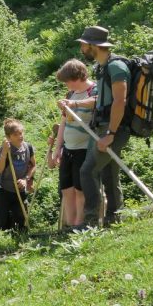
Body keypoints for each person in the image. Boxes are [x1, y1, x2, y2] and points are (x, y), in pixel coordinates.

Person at [76, 26, 131, 227]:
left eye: (83, 44)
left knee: (87, 170)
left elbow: (120, 101)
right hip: (103, 126)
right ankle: (114, 217)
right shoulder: (101, 67)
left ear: (93, 46)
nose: (81, 48)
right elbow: (103, 98)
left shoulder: (116, 67)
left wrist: (111, 133)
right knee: (108, 170)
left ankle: (90, 221)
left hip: (113, 128)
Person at [51, 59, 98, 227]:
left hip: (85, 149)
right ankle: (69, 225)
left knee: (80, 189)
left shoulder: (94, 90)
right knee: (66, 189)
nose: (66, 85)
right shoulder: (70, 94)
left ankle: (80, 224)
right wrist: (58, 148)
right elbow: (63, 122)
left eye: (67, 81)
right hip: (68, 149)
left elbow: (98, 101)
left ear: (76, 77)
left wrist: (75, 104)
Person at [0, 119, 36, 232]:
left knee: (21, 222)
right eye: (15, 134)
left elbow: (33, 166)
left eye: (21, 133)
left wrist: (26, 180)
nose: (20, 136)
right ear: (8, 137)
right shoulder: (4, 149)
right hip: (4, 190)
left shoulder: (28, 147)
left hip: (20, 189)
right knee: (2, 223)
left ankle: (21, 242)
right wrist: (4, 152)